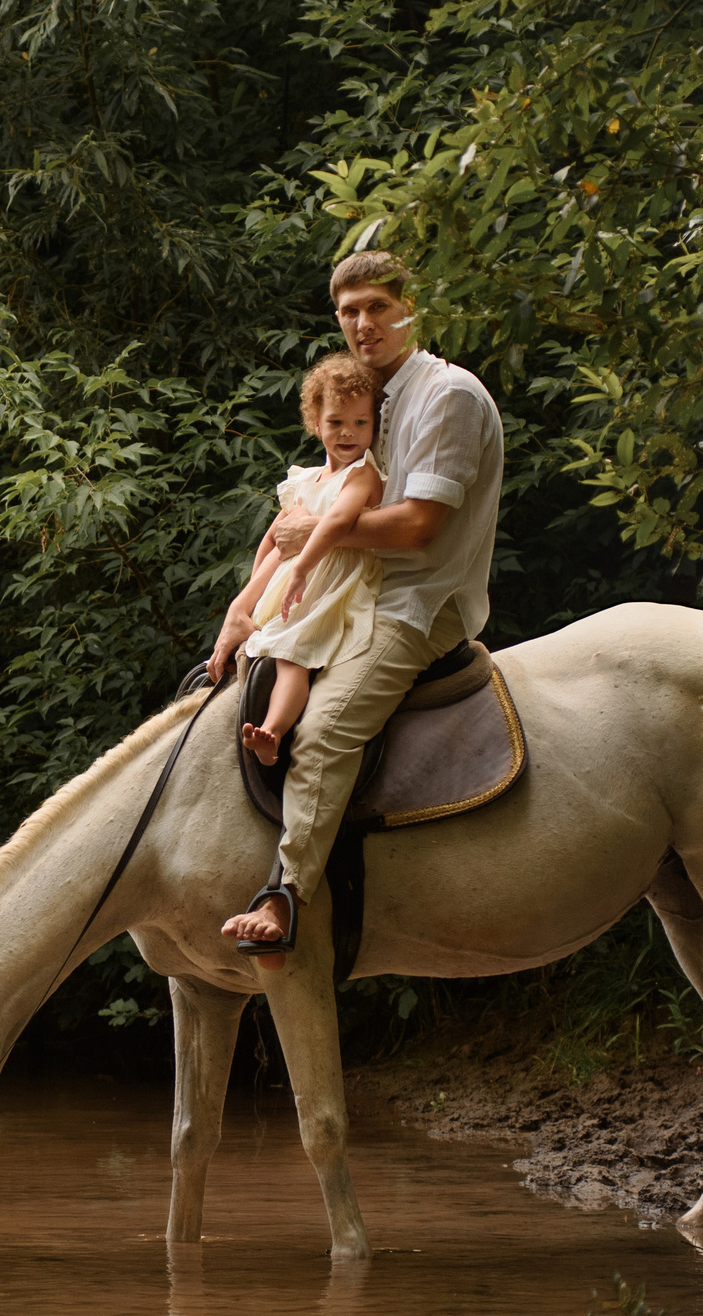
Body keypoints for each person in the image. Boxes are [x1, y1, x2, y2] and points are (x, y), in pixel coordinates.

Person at [214, 247, 504, 967]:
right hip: (354, 590)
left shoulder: (448, 395)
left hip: (415, 604)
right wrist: (244, 604)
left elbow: (417, 526)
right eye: (349, 311)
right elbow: (305, 508)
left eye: (377, 306)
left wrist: (316, 536)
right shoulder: (365, 397)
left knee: (326, 732)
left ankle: (287, 892)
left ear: (411, 308)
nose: (362, 323)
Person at [206, 353, 387, 768]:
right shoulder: (305, 480)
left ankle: (273, 729)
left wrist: (303, 567)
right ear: (315, 422)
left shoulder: (362, 474)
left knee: (294, 655)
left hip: (329, 584)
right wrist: (252, 595)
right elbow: (274, 539)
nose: (348, 433)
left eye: (361, 423)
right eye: (336, 422)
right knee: (263, 647)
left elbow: (340, 522)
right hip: (293, 586)